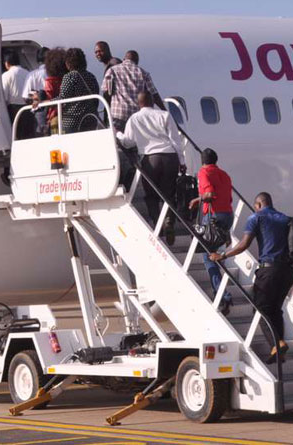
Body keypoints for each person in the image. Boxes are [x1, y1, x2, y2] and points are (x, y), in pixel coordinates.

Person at [209, 192, 293, 364]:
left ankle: (277, 343)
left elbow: (244, 244)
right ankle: (278, 351)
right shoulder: (285, 218)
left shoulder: (257, 217)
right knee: (275, 310)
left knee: (260, 310)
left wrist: (223, 256)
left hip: (269, 271)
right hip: (288, 271)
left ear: (258, 204)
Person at [117, 91, 186, 245]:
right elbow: (176, 141)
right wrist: (182, 162)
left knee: (151, 196)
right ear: (153, 101)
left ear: (139, 103)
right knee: (169, 194)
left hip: (150, 160)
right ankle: (169, 222)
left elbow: (128, 142)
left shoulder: (134, 118)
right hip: (169, 158)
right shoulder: (165, 115)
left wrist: (119, 135)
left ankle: (158, 224)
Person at [189, 149, 234, 299]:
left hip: (214, 217)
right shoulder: (225, 175)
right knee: (217, 255)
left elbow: (209, 194)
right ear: (216, 160)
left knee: (208, 257)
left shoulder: (204, 172)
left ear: (202, 162)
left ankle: (222, 295)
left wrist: (197, 200)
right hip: (227, 216)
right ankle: (220, 290)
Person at [101, 50, 166, 132]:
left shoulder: (112, 70)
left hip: (118, 116)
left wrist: (108, 112)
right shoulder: (144, 73)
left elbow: (106, 92)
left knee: (117, 142)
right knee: (135, 142)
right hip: (136, 117)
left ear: (124, 59)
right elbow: (154, 94)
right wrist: (164, 110)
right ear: (136, 61)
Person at [56, 48, 100, 134]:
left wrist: (46, 102)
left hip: (73, 122)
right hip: (91, 119)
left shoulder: (69, 77)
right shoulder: (91, 76)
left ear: (68, 62)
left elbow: (63, 98)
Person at [31, 48, 67, 135]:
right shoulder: (65, 79)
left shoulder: (50, 81)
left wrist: (39, 100)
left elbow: (50, 97)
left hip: (53, 116)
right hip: (66, 114)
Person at [1, 52, 32, 139]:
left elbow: (5, 96)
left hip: (14, 109)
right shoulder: (27, 73)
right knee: (27, 135)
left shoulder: (6, 75)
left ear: (7, 63)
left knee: (16, 135)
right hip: (28, 107)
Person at [21, 47, 49, 136]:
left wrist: (35, 97)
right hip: (56, 110)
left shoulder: (32, 75)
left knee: (40, 137)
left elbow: (26, 97)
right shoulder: (55, 72)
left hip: (39, 111)